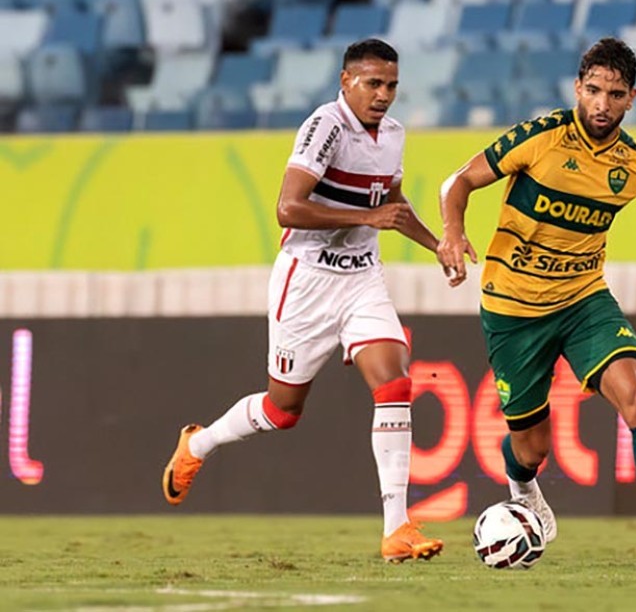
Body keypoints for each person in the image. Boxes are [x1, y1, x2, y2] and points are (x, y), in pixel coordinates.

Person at [436, 37, 636, 570]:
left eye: (614, 94)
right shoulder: (540, 138)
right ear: (577, 88)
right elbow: (457, 182)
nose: (601, 103)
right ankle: (520, 485)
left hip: (582, 301)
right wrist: (453, 234)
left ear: (631, 98)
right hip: (513, 308)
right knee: (531, 449)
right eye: (593, 90)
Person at [161, 39, 445, 564]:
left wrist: (439, 246)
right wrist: (365, 217)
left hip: (362, 279)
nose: (383, 95)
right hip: (307, 282)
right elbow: (288, 207)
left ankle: (397, 526)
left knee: (395, 380)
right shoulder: (325, 126)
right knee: (282, 410)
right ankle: (198, 444)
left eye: (392, 86)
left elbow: (391, 204)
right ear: (346, 81)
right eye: (373, 84)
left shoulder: (395, 136)